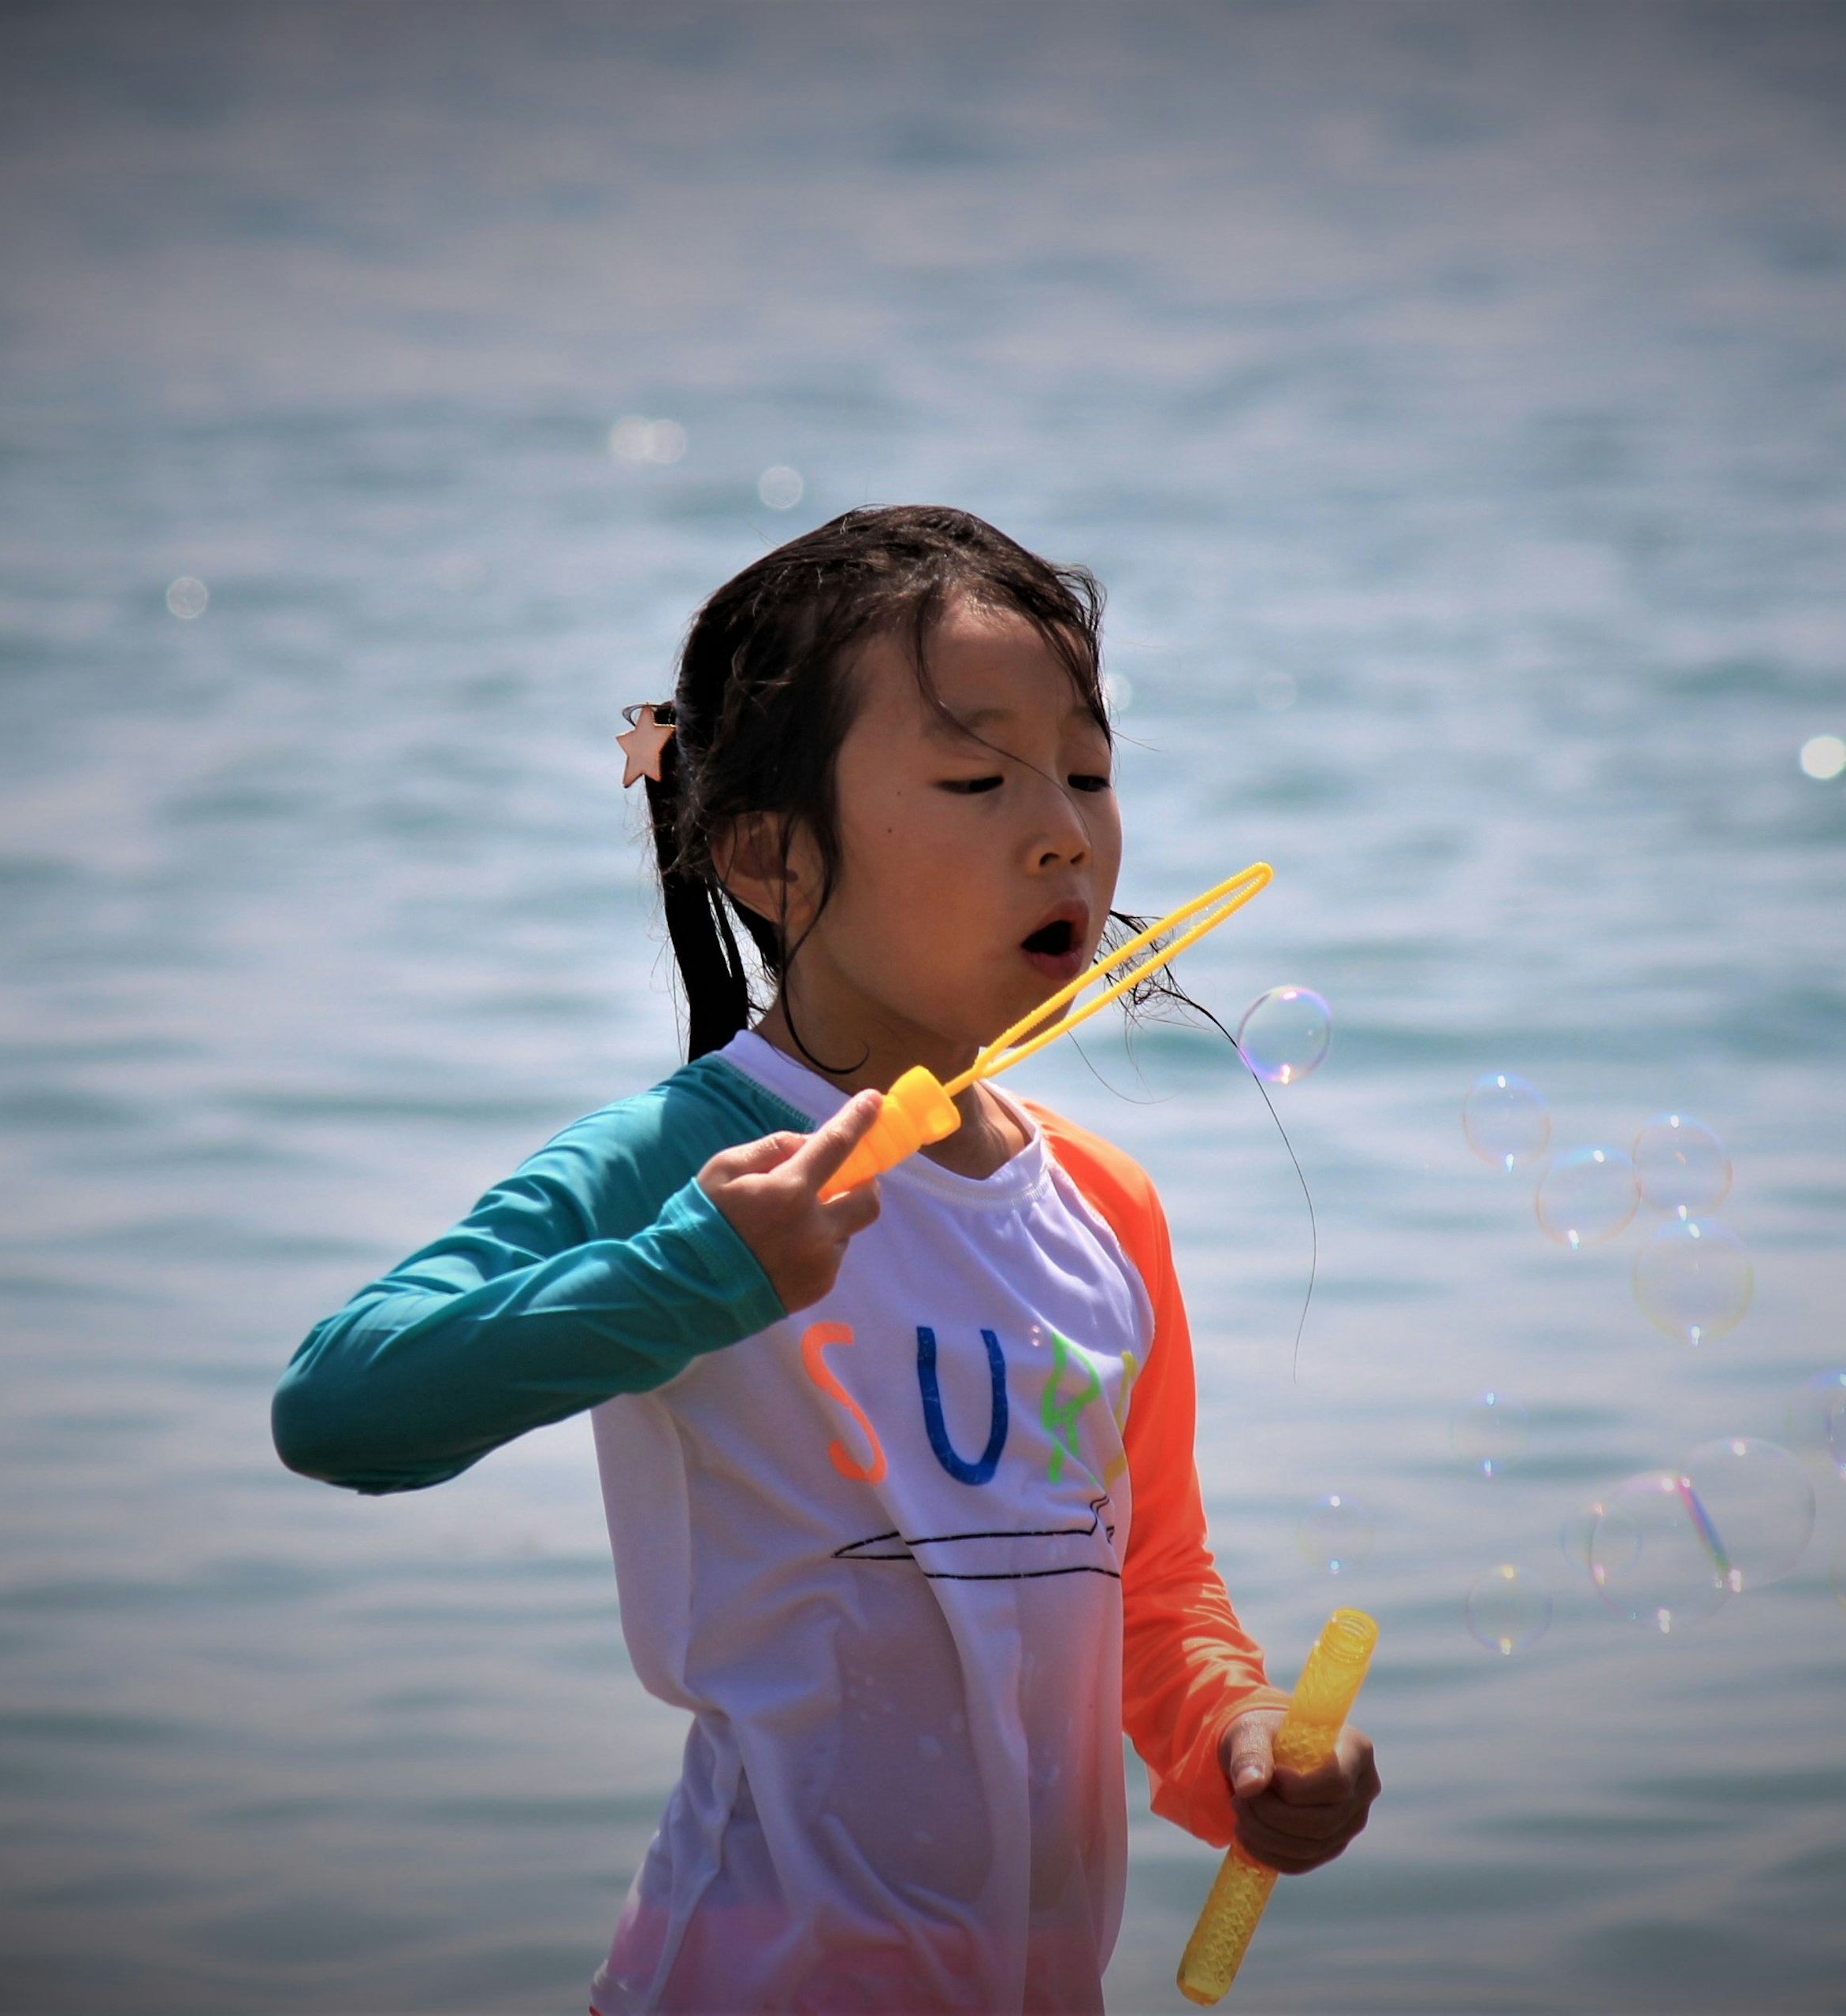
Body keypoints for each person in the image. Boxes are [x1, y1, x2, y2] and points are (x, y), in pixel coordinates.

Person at [272, 505, 1380, 2011]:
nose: (1064, 825)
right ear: (771, 862)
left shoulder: (1106, 1206)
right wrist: (692, 1276)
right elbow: (340, 1406)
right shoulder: (695, 1164)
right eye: (978, 775)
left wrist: (1238, 1738)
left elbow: (1146, 1585)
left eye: (1091, 770)